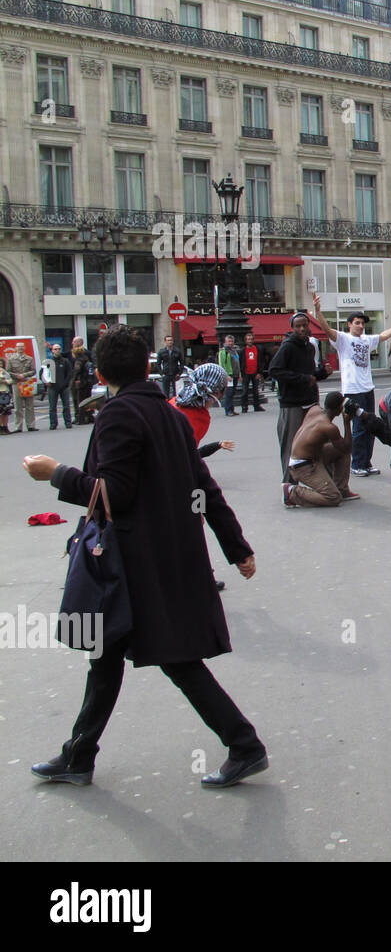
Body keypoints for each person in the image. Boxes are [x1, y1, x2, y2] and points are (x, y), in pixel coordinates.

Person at [22, 325, 266, 789]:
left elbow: (113, 492)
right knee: (109, 655)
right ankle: (79, 754)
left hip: (135, 563)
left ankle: (244, 745)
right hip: (166, 554)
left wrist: (56, 475)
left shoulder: (118, 415)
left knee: (167, 658)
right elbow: (204, 487)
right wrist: (236, 547)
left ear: (99, 372)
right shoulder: (170, 415)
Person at [312, 295, 391, 476]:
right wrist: (318, 311)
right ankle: (357, 464)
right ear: (349, 324)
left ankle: (366, 462)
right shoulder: (343, 339)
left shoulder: (366, 340)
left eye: (362, 323)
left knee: (370, 426)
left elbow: (381, 336)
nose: (360, 326)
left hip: (367, 389)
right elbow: (326, 329)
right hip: (352, 390)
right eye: (357, 323)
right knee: (358, 428)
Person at [268, 312, 323, 483]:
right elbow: (274, 370)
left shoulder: (310, 346)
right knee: (291, 446)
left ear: (308, 326)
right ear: (292, 328)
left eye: (304, 325)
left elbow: (309, 374)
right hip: (292, 404)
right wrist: (304, 379)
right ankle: (289, 485)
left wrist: (322, 373)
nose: (301, 329)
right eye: (297, 326)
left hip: (309, 402)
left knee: (312, 444)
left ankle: (312, 481)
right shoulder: (288, 346)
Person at [283, 392, 360, 507]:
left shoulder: (314, 410)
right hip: (303, 466)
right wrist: (347, 422)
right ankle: (292, 492)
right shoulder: (328, 427)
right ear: (339, 409)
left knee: (340, 451)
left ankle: (342, 489)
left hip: (307, 457)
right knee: (333, 497)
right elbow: (347, 448)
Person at [5, 340, 38, 432]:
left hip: (27, 384)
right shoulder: (11, 359)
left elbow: (33, 371)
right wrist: (17, 376)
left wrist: (25, 375)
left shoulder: (29, 358)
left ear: (24, 348)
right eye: (18, 346)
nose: (20, 348)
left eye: (22, 346)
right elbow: (7, 371)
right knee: (17, 407)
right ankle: (18, 427)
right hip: (16, 384)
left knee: (29, 406)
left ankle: (31, 425)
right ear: (16, 348)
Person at [47, 343, 73, 430]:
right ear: (52, 351)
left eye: (59, 349)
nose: (57, 350)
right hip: (52, 387)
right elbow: (42, 374)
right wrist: (47, 382)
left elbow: (70, 373)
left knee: (66, 405)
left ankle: (68, 422)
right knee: (52, 407)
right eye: (55, 349)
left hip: (64, 387)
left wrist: (65, 383)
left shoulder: (65, 361)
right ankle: (53, 423)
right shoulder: (48, 362)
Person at [237, 332, 264, 413]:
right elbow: (239, 363)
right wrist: (240, 374)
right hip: (245, 373)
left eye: (251, 339)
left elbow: (261, 361)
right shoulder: (242, 351)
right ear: (245, 341)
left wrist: (260, 372)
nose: (250, 341)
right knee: (244, 391)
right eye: (248, 339)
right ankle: (244, 407)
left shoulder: (258, 349)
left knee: (256, 391)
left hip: (255, 373)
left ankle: (257, 406)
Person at [216, 334, 242, 417]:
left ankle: (231, 409)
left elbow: (238, 363)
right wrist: (226, 375)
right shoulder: (223, 352)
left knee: (233, 392)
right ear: (225, 342)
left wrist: (239, 374)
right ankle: (228, 410)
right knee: (229, 393)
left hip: (235, 374)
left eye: (232, 341)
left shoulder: (234, 351)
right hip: (229, 376)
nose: (230, 343)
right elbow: (221, 365)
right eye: (229, 341)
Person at [71, 337, 95, 424]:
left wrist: (74, 380)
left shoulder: (79, 360)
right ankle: (89, 416)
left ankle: (81, 418)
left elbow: (77, 370)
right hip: (88, 381)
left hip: (81, 382)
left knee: (80, 400)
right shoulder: (86, 357)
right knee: (88, 399)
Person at [157, 334, 182, 400]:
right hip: (166, 374)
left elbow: (182, 363)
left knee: (175, 392)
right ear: (165, 342)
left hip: (175, 374)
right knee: (166, 393)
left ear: (173, 341)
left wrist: (179, 373)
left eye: (171, 340)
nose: (169, 342)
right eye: (168, 340)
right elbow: (158, 364)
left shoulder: (177, 351)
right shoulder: (161, 352)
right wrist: (161, 374)